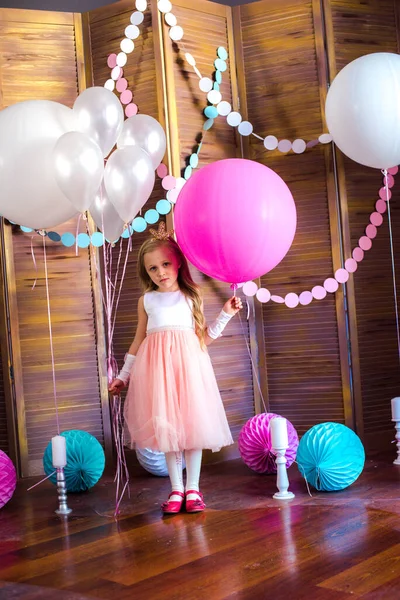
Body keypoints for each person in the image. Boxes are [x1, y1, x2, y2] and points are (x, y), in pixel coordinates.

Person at [109, 222, 242, 515]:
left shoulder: (191, 296)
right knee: (168, 430)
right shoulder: (147, 300)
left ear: (178, 261)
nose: (160, 272)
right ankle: (176, 489)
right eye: (153, 269)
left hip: (189, 369)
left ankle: (193, 487)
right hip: (157, 372)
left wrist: (225, 315)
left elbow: (203, 338)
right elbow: (138, 339)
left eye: (165, 264)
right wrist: (123, 376)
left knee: (192, 429)